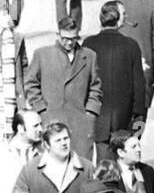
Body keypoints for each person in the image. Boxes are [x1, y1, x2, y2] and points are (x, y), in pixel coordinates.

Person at [24, 17, 102, 162]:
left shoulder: (89, 56)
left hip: (81, 122)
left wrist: (91, 112)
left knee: (81, 167)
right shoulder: (42, 54)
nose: (69, 42)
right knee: (53, 165)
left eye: (73, 38)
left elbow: (95, 86)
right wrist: (42, 110)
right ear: (58, 34)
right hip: (52, 119)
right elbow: (30, 83)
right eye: (65, 38)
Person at [82, 1, 147, 159]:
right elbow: (139, 84)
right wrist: (139, 115)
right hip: (124, 116)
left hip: (97, 114)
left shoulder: (88, 44)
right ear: (117, 19)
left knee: (104, 163)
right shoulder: (131, 45)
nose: (126, 17)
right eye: (124, 14)